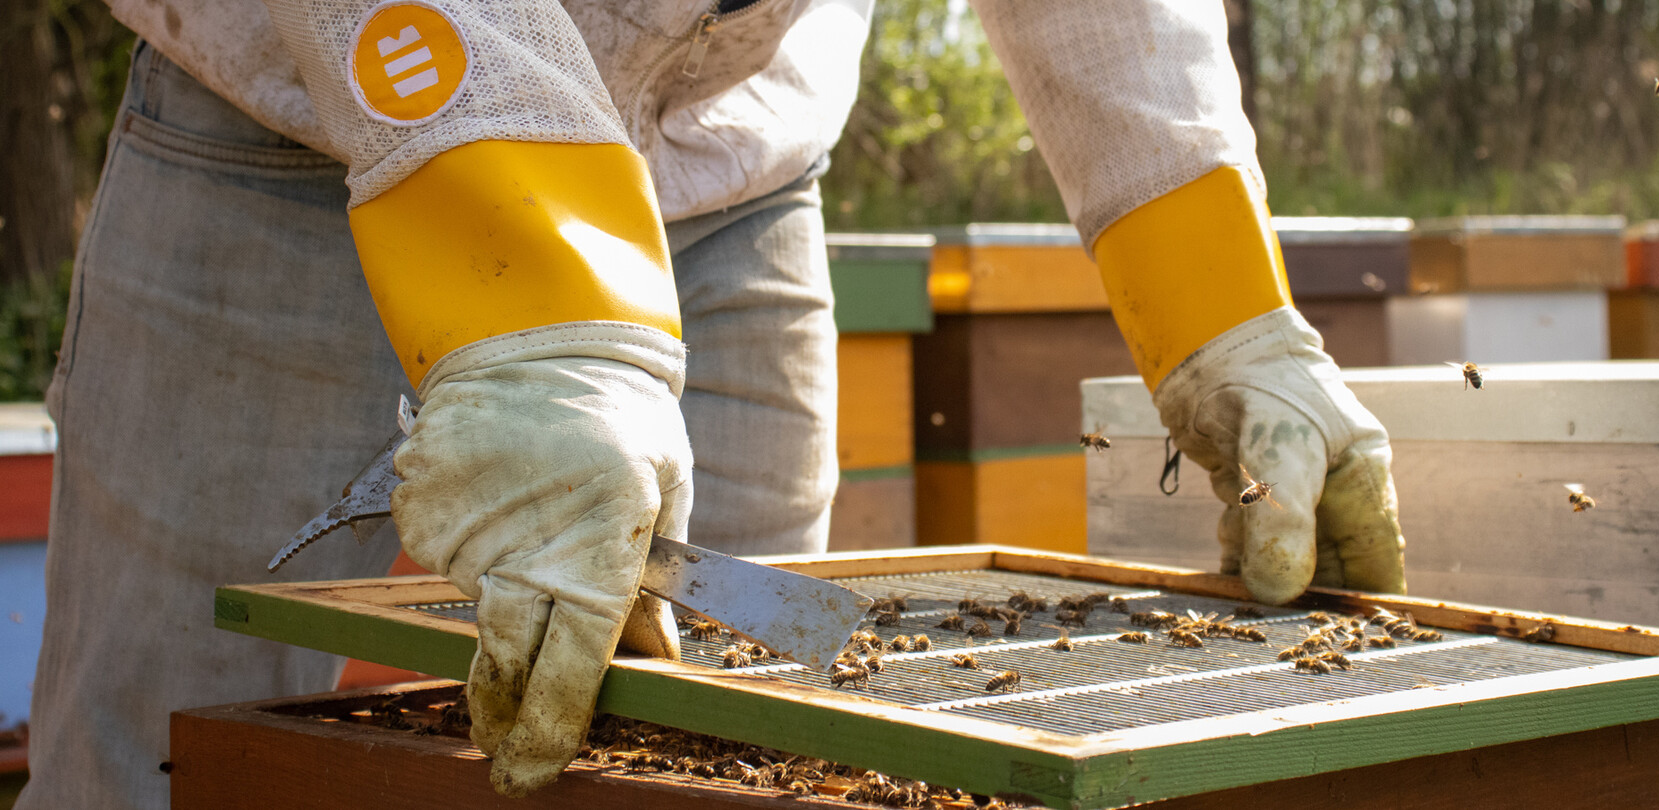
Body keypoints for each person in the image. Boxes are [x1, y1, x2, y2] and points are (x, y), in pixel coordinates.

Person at [21, 1, 1406, 805]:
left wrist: (1219, 306)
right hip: (305, 123)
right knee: (155, 758)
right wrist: (540, 306)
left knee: (747, 761)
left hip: (724, 171)